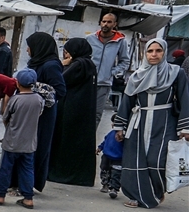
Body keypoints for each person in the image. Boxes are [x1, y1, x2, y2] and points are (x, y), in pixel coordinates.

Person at [113, 38, 189, 209]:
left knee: (157, 161)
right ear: (145, 53)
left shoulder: (176, 73)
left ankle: (155, 192)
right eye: (150, 51)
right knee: (135, 160)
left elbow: (185, 98)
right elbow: (127, 101)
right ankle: (135, 196)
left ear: (164, 52)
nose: (154, 54)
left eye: (158, 51)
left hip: (164, 122)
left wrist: (185, 127)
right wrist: (120, 126)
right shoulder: (136, 76)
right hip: (139, 122)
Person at [47, 38, 98, 187]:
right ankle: (80, 176)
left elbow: (61, 81)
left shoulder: (79, 64)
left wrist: (62, 66)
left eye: (68, 51)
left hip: (71, 109)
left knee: (65, 142)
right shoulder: (89, 64)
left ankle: (63, 174)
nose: (66, 54)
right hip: (83, 110)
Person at [20, 32, 66, 193]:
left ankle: (29, 184)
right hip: (30, 112)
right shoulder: (36, 62)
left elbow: (60, 90)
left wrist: (32, 87)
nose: (27, 50)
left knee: (37, 147)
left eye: (30, 46)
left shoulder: (51, 65)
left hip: (43, 115)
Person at [0, 68, 44, 209]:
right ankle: (28, 198)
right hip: (29, 143)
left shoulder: (15, 100)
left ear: (18, 84)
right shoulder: (39, 100)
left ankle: (1, 196)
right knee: (27, 169)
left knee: (6, 168)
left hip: (12, 141)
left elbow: (5, 117)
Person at [87, 12, 130, 128]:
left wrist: (111, 73)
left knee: (96, 114)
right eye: (104, 21)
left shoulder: (120, 41)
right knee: (82, 111)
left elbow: (125, 61)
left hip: (103, 84)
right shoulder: (90, 38)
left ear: (114, 24)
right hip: (86, 82)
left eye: (109, 22)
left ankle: (89, 141)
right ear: (100, 22)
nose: (105, 24)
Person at [97, 123, 124, 199]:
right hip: (106, 156)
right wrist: (100, 148)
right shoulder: (110, 133)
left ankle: (114, 189)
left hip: (118, 158)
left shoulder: (124, 136)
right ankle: (105, 184)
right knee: (104, 170)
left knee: (116, 173)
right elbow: (105, 142)